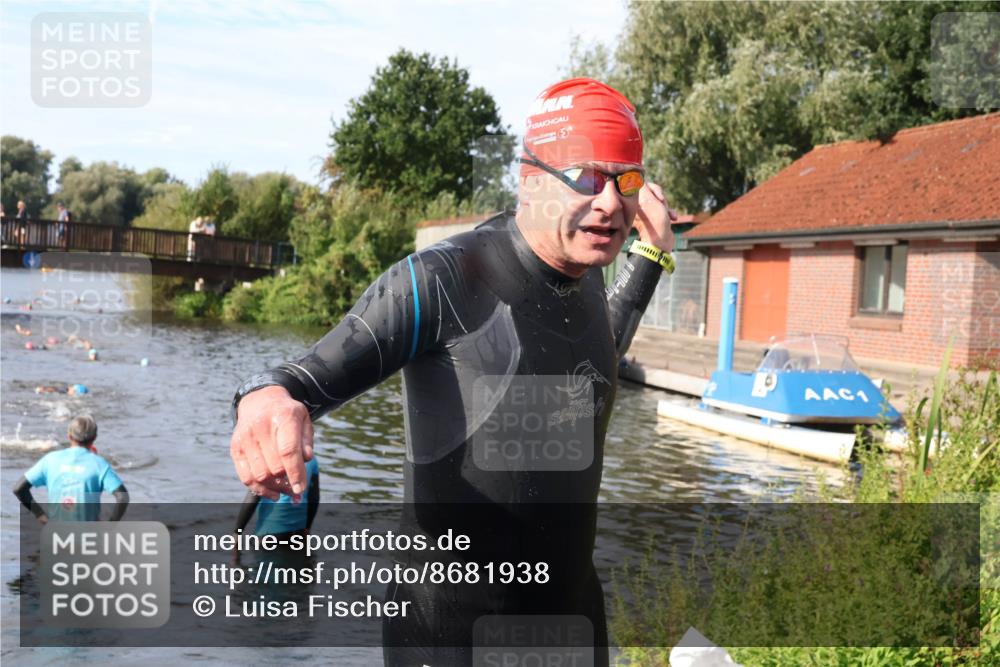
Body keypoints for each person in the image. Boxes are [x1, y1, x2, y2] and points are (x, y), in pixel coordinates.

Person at [229, 77, 677, 665]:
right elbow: (303, 379)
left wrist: (650, 257)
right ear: (531, 177)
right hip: (448, 637)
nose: (612, 203)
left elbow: (592, 361)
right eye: (590, 178)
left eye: (628, 181)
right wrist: (264, 398)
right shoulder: (443, 279)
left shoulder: (587, 275)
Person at [12, 415, 129, 523]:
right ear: (94, 438)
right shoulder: (99, 464)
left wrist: (39, 514)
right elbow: (123, 496)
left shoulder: (50, 460)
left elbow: (19, 488)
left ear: (69, 436)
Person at [231, 456, 320, 564]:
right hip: (298, 534)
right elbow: (314, 498)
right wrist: (307, 528)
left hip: (268, 535)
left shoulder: (267, 457)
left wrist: (237, 532)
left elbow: (253, 497)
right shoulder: (311, 459)